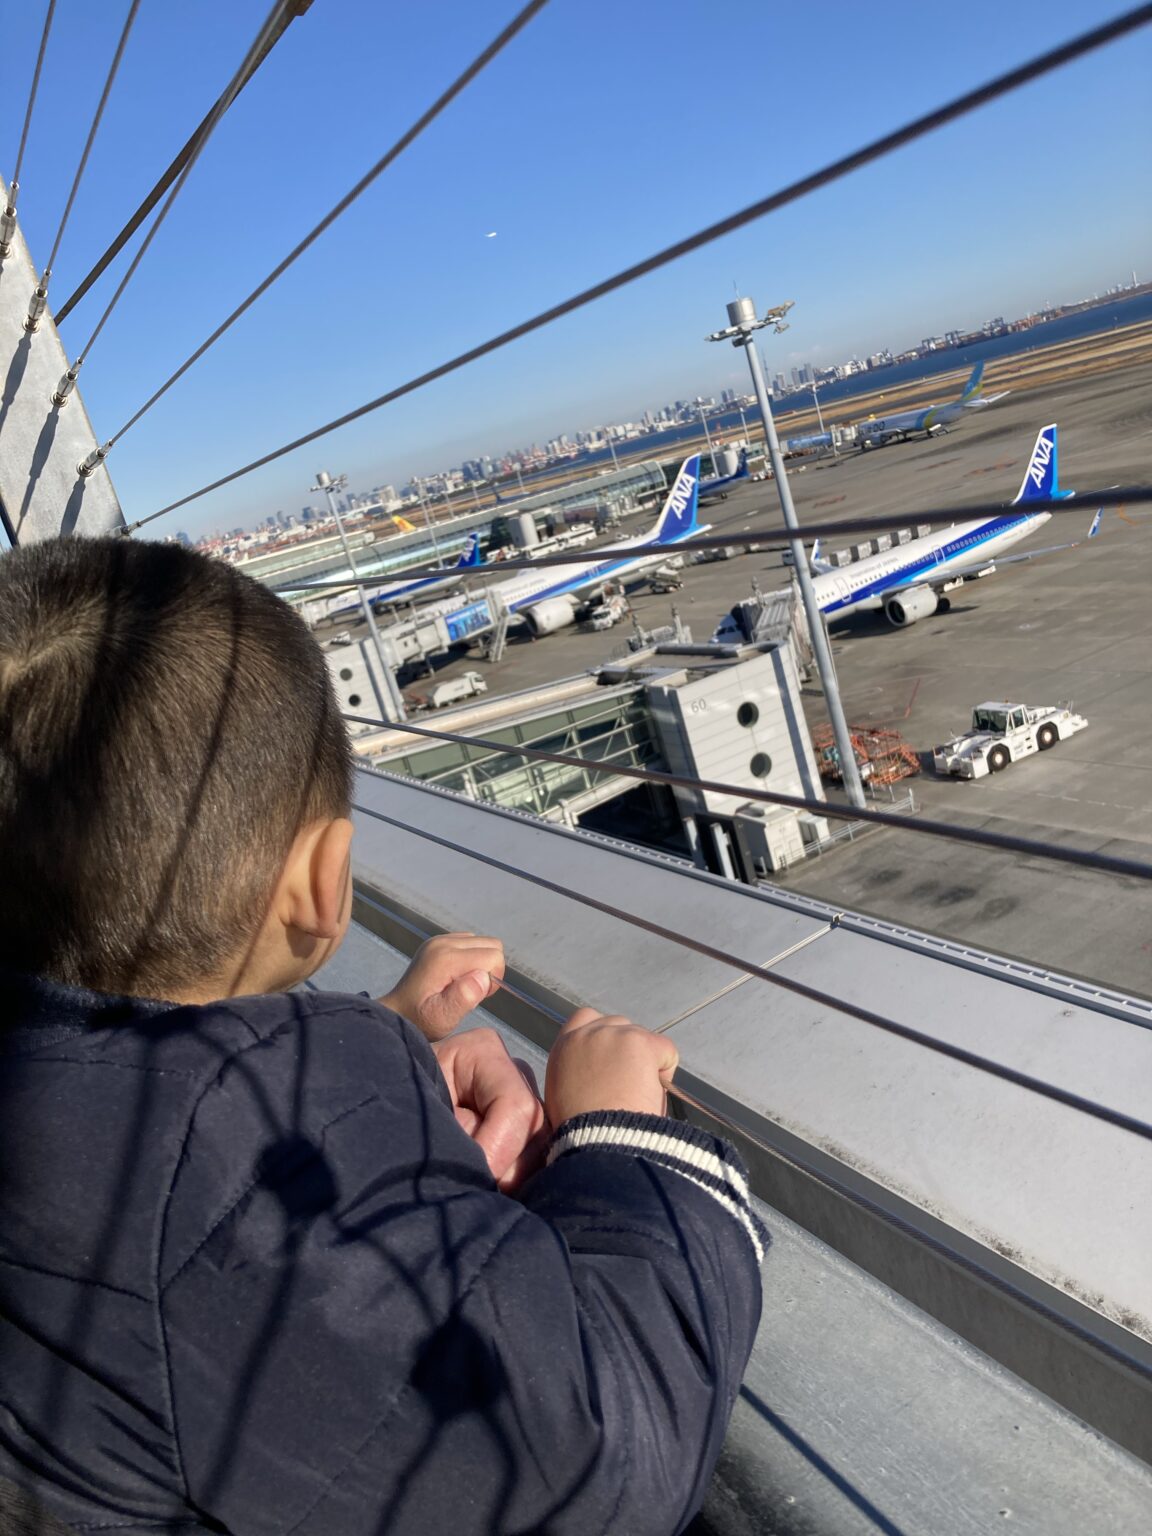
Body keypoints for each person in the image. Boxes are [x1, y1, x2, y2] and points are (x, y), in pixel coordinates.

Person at [0, 536, 766, 1535]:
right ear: (327, 885)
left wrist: (375, 1062)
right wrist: (628, 1148)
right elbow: (600, 1468)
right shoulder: (214, 1217)